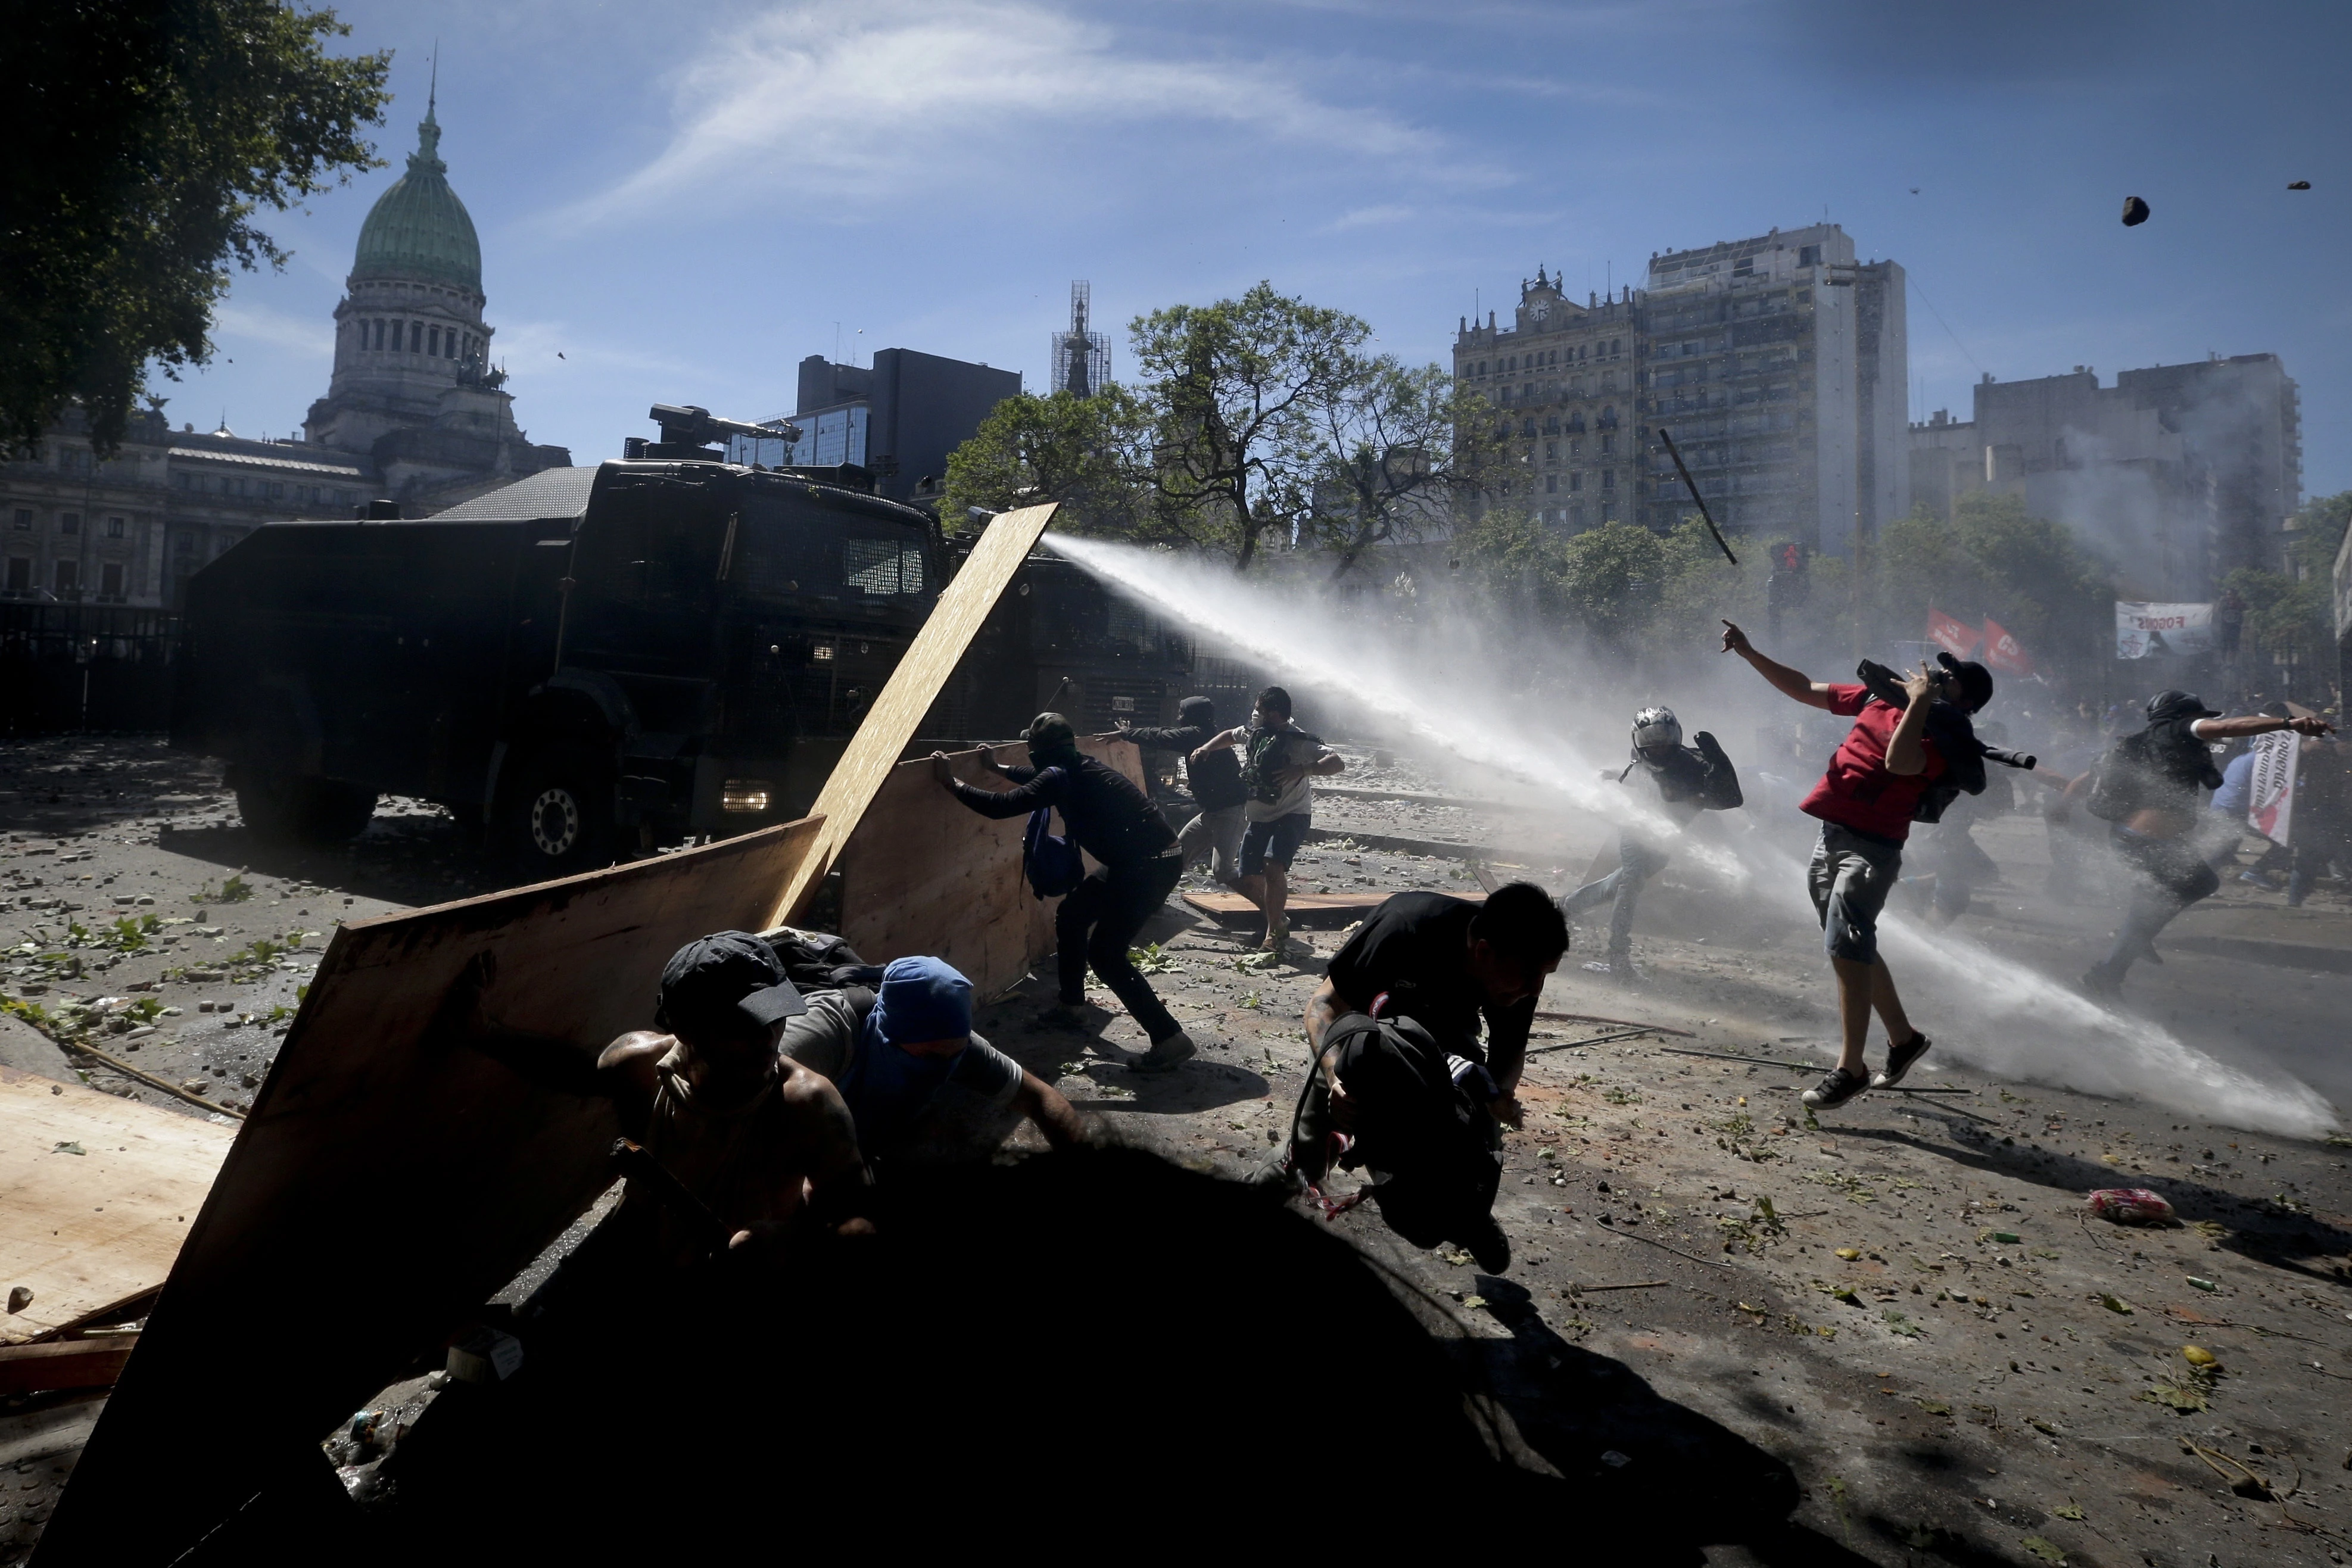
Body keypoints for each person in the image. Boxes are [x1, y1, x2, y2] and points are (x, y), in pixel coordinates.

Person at [448, 931, 874, 1268]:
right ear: (685, 1029)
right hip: (650, 1260)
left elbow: (861, 1222)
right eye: (745, 1025)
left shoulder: (806, 1103)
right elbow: (578, 1072)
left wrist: (791, 1241)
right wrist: (484, 1032)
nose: (768, 1039)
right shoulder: (638, 1068)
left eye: (774, 1016)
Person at [1721, 619, 1993, 1111]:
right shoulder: (1878, 699)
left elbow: (1898, 762)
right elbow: (1805, 688)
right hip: (1830, 835)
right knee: (1851, 945)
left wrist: (1919, 704)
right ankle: (1904, 1039)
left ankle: (1850, 1068)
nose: (1933, 675)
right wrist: (1748, 652)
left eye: (1947, 679)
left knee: (1846, 944)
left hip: (1872, 848)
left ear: (1963, 701)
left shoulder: (1943, 737)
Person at [1294, 883, 1568, 1271]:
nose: (1535, 989)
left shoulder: (1521, 969)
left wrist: (1498, 1094)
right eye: (1529, 976)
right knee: (1310, 1153)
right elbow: (1323, 1005)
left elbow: (1508, 1050)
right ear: (1484, 951)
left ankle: (1468, 1218)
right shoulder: (1404, 926)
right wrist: (1335, 1077)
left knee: (1466, 1159)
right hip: (1366, 1048)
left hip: (1448, 1049)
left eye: (1546, 975)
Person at [932, 713, 1199, 1071]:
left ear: (1040, 751)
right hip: (1142, 861)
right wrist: (998, 767)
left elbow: (1003, 807)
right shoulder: (1076, 767)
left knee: (1106, 955)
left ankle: (1170, 1039)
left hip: (1147, 867)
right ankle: (1072, 1007)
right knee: (1072, 917)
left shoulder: (1062, 774)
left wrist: (952, 783)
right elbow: (1037, 781)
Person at [2079, 691, 2333, 999]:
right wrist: (2289, 724)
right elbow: (2227, 728)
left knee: (2177, 892)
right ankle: (2114, 963)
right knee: (2197, 883)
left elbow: (2211, 773)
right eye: (2200, 718)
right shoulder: (2176, 729)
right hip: (2145, 840)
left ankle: (2121, 955)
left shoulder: (2151, 741)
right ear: (2182, 715)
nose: (2206, 723)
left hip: (2138, 838)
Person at [777, 955, 1085, 1164]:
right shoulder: (819, 1035)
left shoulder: (952, 1042)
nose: (941, 1065)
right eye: (930, 1055)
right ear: (890, 1034)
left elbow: (1039, 1097)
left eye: (955, 1053)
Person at [1556, 705, 1741, 980]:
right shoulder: (1638, 758)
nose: (1658, 748)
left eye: (1664, 740)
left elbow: (1731, 800)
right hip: (1636, 828)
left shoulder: (1697, 764)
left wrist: (1720, 765)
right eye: (1650, 742)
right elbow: (1648, 784)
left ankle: (1562, 911)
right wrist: (1613, 775)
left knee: (1614, 886)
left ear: (1676, 737)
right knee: (1630, 883)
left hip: (1665, 840)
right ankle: (1618, 958)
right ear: (1638, 741)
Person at [1194, 686, 1344, 952]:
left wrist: (1302, 770)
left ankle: (1273, 935)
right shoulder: (1254, 733)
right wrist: (1207, 747)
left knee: (1273, 866)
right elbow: (1230, 735)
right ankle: (1277, 918)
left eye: (1259, 709)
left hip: (1292, 814)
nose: (1255, 714)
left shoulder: (1299, 741)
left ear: (1273, 714)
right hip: (1258, 817)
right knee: (1250, 874)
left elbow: (1336, 762)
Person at [1120, 695, 1248, 888]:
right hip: (1211, 812)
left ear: (1192, 716)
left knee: (1223, 871)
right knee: (1175, 857)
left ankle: (1270, 906)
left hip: (1229, 813)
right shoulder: (1206, 734)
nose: (1179, 718)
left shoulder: (1196, 735)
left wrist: (1127, 733)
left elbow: (1161, 736)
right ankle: (1154, 902)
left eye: (1182, 714)